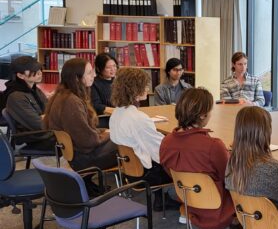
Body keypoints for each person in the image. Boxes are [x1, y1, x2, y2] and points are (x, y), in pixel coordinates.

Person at [160, 87, 234, 229]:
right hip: (218, 209)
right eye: (210, 110)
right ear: (202, 115)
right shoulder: (213, 146)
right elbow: (229, 178)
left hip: (188, 201)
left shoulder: (166, 142)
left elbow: (170, 172)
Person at [43, 58, 118, 195]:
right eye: (89, 73)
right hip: (83, 158)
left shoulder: (63, 95)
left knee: (121, 136)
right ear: (77, 78)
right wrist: (109, 134)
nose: (94, 75)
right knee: (128, 141)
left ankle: (86, 183)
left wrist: (103, 132)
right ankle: (142, 182)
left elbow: (86, 131)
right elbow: (88, 141)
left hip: (75, 154)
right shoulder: (72, 102)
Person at [109, 67, 179, 211]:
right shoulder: (138, 118)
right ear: (135, 89)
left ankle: (160, 199)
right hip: (148, 175)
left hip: (131, 170)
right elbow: (161, 150)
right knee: (183, 154)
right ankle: (194, 200)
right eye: (144, 85)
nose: (147, 88)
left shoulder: (117, 113)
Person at [2, 55, 54, 151]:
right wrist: (50, 117)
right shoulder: (16, 97)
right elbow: (39, 125)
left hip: (46, 132)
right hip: (36, 138)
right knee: (76, 135)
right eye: (33, 70)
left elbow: (50, 110)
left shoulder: (34, 89)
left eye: (39, 69)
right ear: (20, 75)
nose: (39, 73)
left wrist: (47, 116)